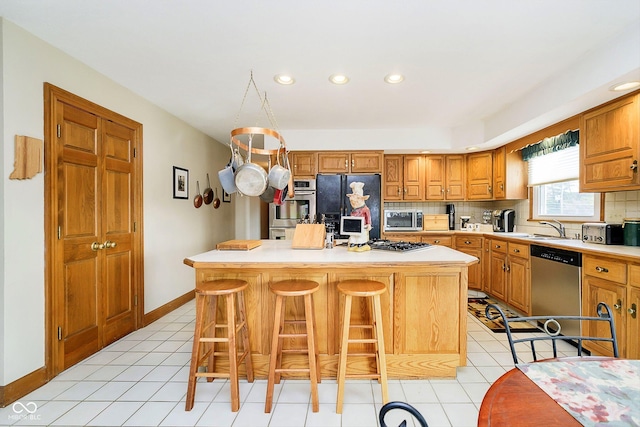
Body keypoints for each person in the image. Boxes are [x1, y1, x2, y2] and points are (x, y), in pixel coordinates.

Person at [346, 182, 372, 251]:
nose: (355, 203)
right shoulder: (354, 210)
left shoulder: (365, 209)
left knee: (361, 236)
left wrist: (369, 224)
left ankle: (362, 244)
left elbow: (368, 217)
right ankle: (353, 244)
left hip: (363, 226)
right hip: (354, 226)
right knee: (353, 235)